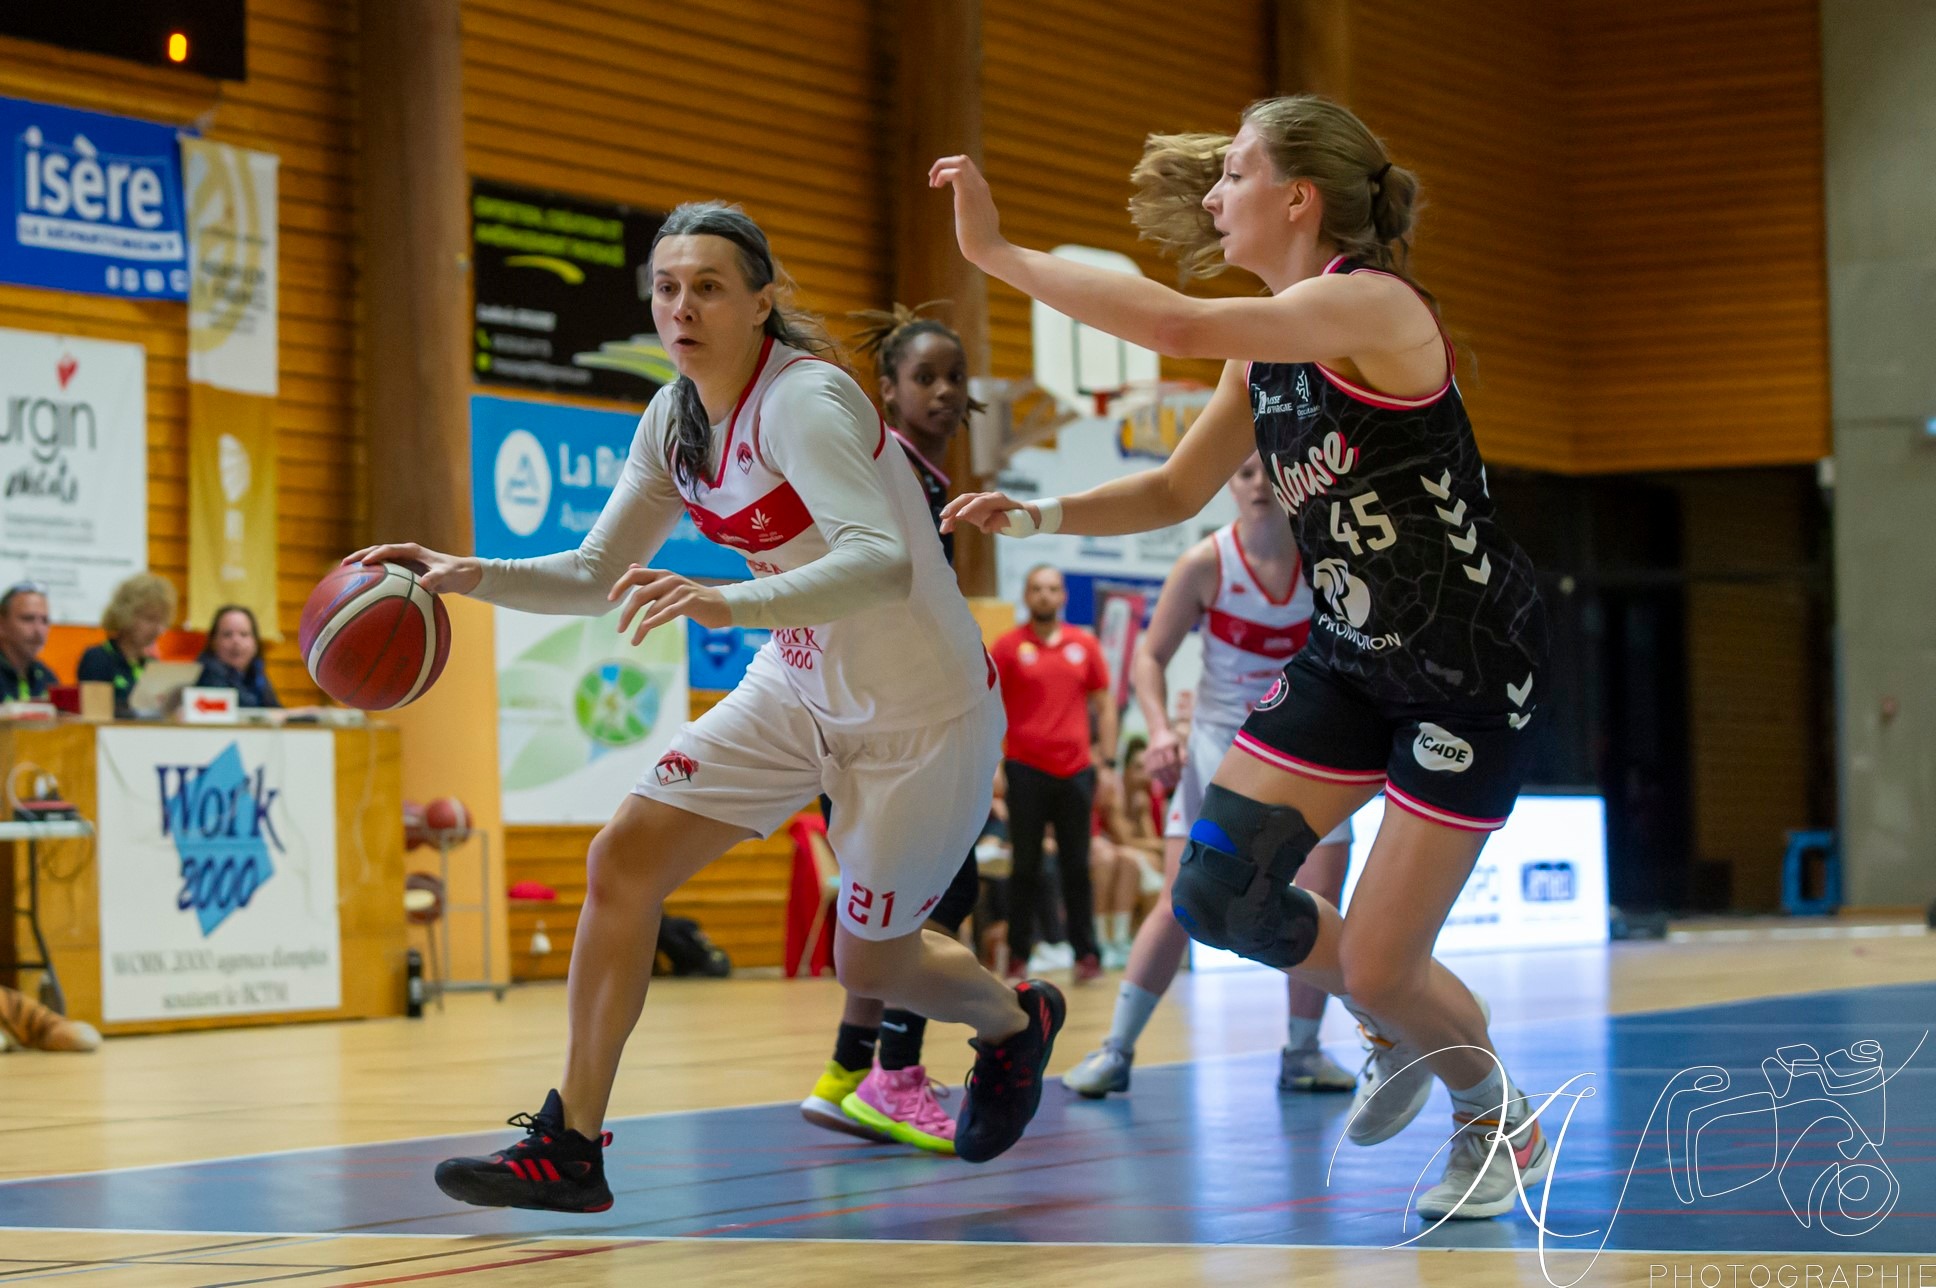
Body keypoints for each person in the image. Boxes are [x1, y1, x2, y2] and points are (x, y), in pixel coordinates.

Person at [349, 203, 1064, 1212]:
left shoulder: (804, 400)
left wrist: (724, 598)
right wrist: (468, 572)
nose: (681, 306)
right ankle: (571, 1141)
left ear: (762, 302)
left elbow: (880, 560)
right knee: (623, 856)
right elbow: (600, 567)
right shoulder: (674, 419)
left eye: (709, 286)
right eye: (667, 287)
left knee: (868, 959)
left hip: (921, 714)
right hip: (799, 681)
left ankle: (1011, 1021)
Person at [935, 94, 1551, 1220]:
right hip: (1354, 658)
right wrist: (1035, 513)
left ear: (1298, 197)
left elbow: (1169, 326)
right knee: (1217, 893)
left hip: (1464, 664)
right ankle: (1397, 1029)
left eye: (1233, 174)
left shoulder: (1372, 306)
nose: (1214, 195)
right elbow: (1173, 489)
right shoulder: (1261, 358)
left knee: (1379, 965)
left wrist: (998, 254)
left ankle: (1489, 1112)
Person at [1064, 455, 1357, 1100]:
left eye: (1267, 471)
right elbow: (1150, 657)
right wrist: (1162, 730)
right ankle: (1116, 1049)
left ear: (1294, 478)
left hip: (1311, 753)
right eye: (1244, 472)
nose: (1257, 484)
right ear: (1229, 483)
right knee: (1180, 902)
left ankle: (1303, 1052)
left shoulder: (1332, 562)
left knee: (1318, 905)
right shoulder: (1205, 563)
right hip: (1220, 751)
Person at [796, 302, 992, 1156]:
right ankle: (897, 1077)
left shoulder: (932, 479)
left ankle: (847, 1071)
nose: (944, 391)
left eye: (955, 377)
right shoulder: (897, 474)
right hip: (882, 718)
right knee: (938, 897)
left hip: (875, 713)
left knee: (894, 905)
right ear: (888, 390)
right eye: (925, 378)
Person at [989, 565, 1116, 983]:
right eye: (1036, 588)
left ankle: (1087, 955)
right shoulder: (1007, 647)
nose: (1045, 595)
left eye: (1052, 589)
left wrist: (1109, 763)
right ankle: (1019, 957)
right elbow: (989, 709)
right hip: (1025, 770)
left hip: (1076, 772)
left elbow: (1105, 704)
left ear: (1063, 597)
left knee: (1076, 866)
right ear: (1026, 596)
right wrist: (994, 765)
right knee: (1024, 866)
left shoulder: (1085, 644)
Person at [1088, 736, 1163, 968]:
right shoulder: (1114, 793)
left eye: (1147, 769)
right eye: (1138, 768)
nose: (1144, 775)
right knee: (1129, 861)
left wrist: (1142, 816)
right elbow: (1126, 840)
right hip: (1105, 849)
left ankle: (1125, 941)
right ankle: (1106, 941)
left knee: (1139, 861)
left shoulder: (1149, 796)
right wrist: (1165, 846)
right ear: (1126, 770)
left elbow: (1149, 839)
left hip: (1122, 852)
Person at [77, 573, 176, 717]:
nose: (158, 630)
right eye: (150, 619)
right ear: (125, 614)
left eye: (162, 622)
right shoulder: (97, 659)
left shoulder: (151, 664)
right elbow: (95, 715)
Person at [194, 605, 281, 708]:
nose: (236, 641)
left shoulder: (257, 673)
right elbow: (243, 708)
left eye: (244, 634)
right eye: (227, 635)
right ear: (213, 642)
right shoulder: (207, 673)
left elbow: (276, 710)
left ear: (255, 643)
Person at [0, 583, 57, 701]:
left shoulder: (47, 678)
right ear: (2, 624)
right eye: (28, 619)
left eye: (45, 621)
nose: (39, 630)